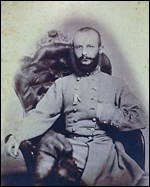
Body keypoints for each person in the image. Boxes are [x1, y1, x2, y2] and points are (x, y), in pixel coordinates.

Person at [5, 27, 147, 186]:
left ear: (100, 49)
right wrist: (16, 137)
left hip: (107, 157)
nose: (84, 53)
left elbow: (140, 117)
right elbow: (41, 115)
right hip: (72, 153)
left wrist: (102, 110)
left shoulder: (116, 85)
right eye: (79, 47)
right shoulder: (62, 84)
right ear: (74, 50)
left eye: (90, 47)